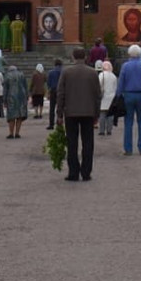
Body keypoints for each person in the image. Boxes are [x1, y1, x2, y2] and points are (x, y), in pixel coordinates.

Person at [56, 47, 103, 181]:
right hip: (88, 112)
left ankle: (73, 172)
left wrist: (59, 113)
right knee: (88, 143)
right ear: (86, 57)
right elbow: (97, 95)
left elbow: (61, 94)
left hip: (70, 113)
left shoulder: (66, 72)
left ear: (73, 57)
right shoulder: (93, 73)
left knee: (72, 143)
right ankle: (86, 172)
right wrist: (97, 114)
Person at [116, 44, 141, 156]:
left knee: (128, 122)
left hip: (128, 95)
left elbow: (121, 82)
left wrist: (118, 96)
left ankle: (128, 149)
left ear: (129, 53)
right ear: (140, 53)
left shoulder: (125, 66)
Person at [4, 64, 29, 139]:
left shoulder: (7, 76)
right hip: (21, 97)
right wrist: (27, 96)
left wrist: (4, 100)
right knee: (19, 116)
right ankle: (17, 133)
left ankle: (11, 133)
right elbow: (25, 86)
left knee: (11, 116)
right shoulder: (22, 74)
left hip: (11, 97)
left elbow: (5, 89)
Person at [98, 60, 118, 136]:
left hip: (103, 97)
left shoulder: (101, 74)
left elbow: (98, 85)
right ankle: (109, 130)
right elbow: (115, 87)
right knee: (110, 115)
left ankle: (102, 130)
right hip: (112, 97)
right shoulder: (113, 76)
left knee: (102, 114)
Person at [46, 59, 63, 129]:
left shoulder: (51, 72)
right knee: (60, 107)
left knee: (52, 108)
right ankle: (60, 122)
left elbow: (48, 83)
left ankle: (51, 124)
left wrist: (49, 91)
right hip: (61, 91)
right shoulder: (63, 72)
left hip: (53, 90)